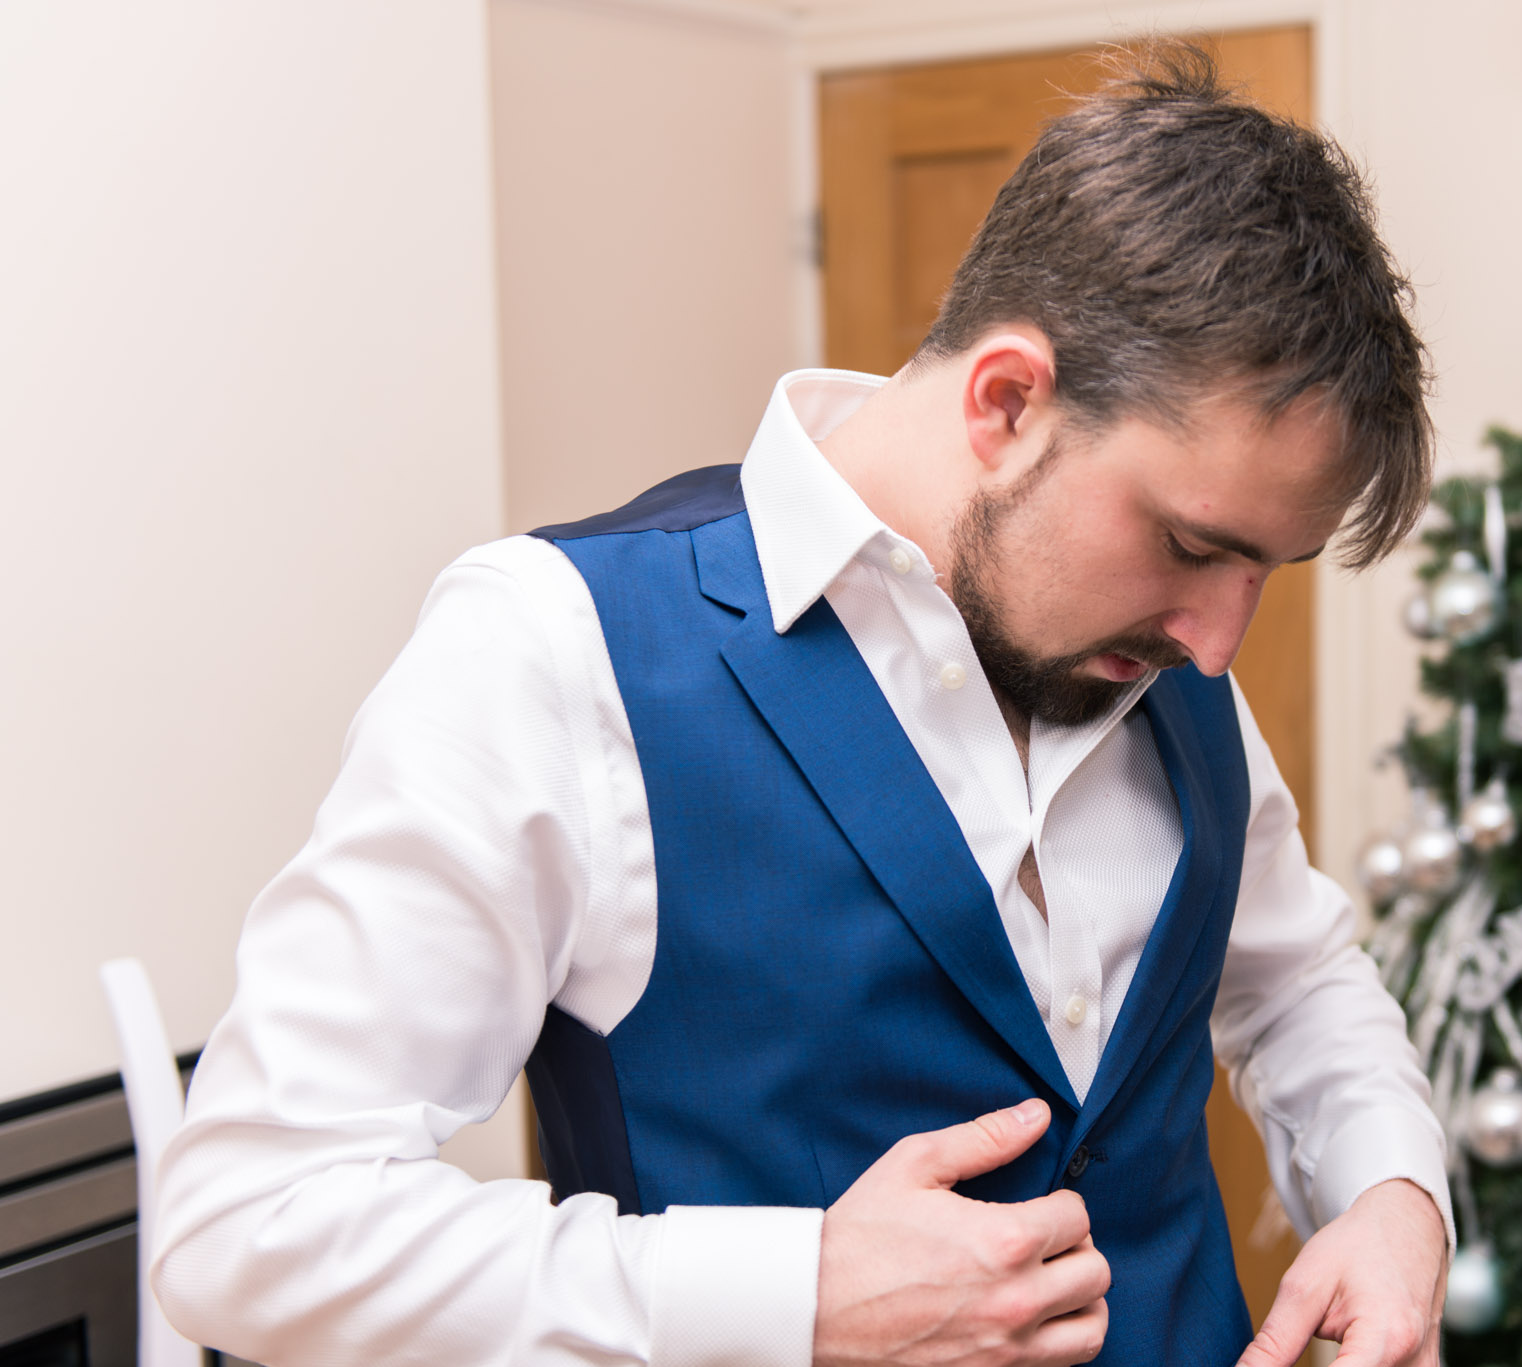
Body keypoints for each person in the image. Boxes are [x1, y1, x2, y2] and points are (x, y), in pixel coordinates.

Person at [154, 44, 1453, 1367]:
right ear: (1006, 403)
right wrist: (786, 1295)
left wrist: (1394, 1192)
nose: (1221, 642)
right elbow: (247, 1220)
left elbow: (1295, 981)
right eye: (1189, 543)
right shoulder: (552, 650)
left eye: (1263, 573)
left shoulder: (1152, 649)